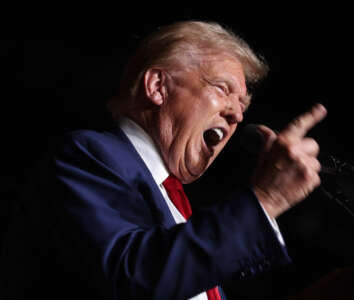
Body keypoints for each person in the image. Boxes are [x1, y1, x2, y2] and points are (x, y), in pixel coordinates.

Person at [0, 21, 326, 300]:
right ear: (157, 87)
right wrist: (268, 199)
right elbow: (132, 277)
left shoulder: (181, 215)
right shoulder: (88, 156)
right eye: (223, 89)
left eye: (243, 105)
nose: (237, 114)